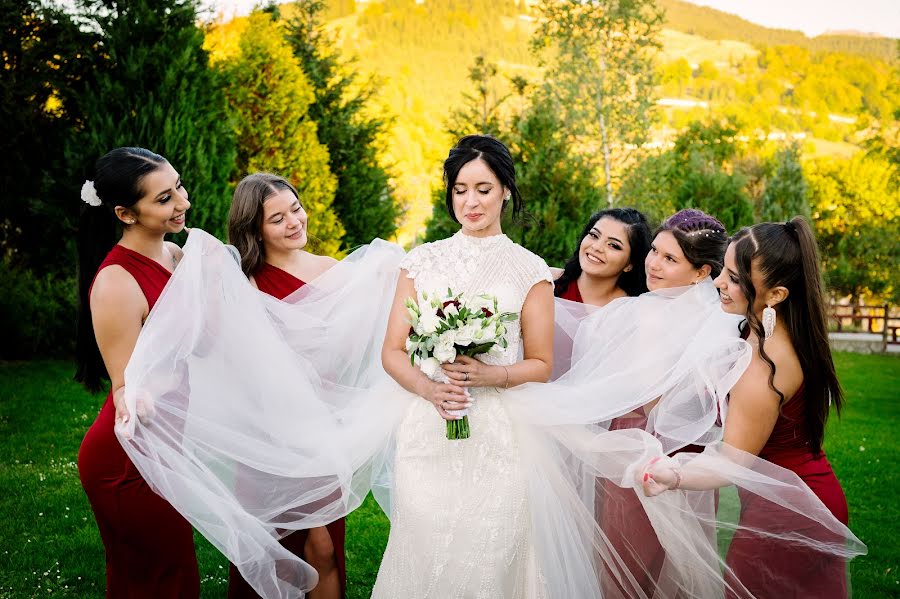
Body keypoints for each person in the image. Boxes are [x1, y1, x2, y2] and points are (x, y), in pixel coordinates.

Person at [371, 134, 556, 596]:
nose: (470, 202)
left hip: (498, 436)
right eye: (460, 190)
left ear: (506, 190)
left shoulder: (530, 270)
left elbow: (542, 363)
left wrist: (497, 375)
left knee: (491, 557)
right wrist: (428, 389)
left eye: (484, 189)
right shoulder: (420, 262)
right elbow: (392, 350)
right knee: (424, 550)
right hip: (429, 427)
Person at [643, 217, 853, 597]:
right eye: (723, 269)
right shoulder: (768, 331)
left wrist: (673, 475)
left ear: (775, 295)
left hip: (791, 511)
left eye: (734, 278)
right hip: (802, 497)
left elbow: (731, 460)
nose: (719, 283)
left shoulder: (763, 366)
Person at [74, 147, 199, 597]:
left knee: (156, 577)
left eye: (179, 186)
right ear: (126, 214)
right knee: (168, 578)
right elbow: (130, 387)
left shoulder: (178, 257)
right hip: (130, 456)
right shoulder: (115, 283)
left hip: (169, 443)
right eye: (164, 198)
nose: (182, 202)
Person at [225, 173, 344, 599]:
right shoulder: (246, 282)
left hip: (322, 434)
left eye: (295, 208)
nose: (294, 222)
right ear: (255, 229)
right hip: (268, 440)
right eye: (277, 219)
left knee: (324, 549)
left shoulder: (332, 271)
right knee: (273, 554)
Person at [553, 207, 651, 305]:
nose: (596, 247)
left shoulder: (631, 310)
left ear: (630, 264)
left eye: (613, 245)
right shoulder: (546, 281)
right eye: (594, 235)